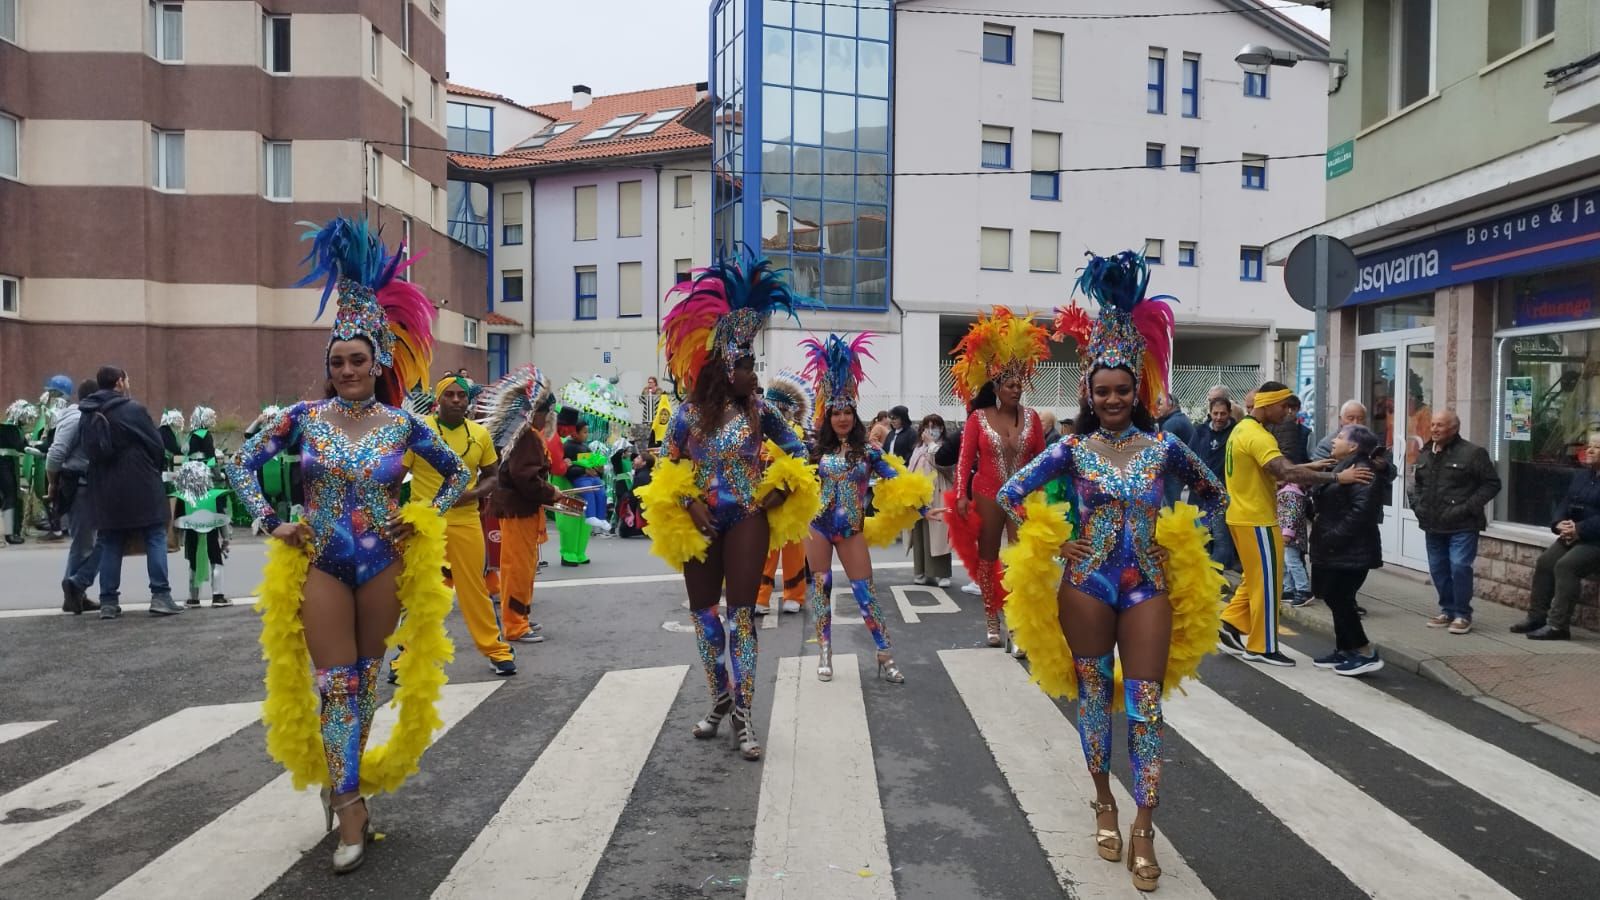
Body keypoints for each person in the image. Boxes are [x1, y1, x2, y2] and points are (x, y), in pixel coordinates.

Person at [223, 217, 469, 874]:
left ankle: (344, 782)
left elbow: (462, 473)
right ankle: (351, 805)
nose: (347, 370)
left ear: (379, 360)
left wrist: (424, 517)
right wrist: (269, 521)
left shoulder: (404, 425)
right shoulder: (299, 420)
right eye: (337, 361)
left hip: (385, 565)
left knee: (364, 684)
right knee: (335, 685)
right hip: (324, 562)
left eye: (357, 359)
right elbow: (237, 465)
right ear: (328, 368)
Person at [998, 250, 1227, 894]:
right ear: (1088, 394)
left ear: (1140, 391)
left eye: (1123, 389)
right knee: (1095, 697)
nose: (1114, 400)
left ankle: (1145, 825)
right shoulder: (1071, 448)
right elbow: (1009, 496)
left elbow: (1215, 494)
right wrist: (1051, 547)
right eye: (1102, 391)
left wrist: (1182, 541)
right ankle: (1103, 798)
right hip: (1088, 584)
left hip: (1148, 585)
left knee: (1147, 706)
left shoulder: (1165, 447)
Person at [636, 256, 819, 762]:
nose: (752, 374)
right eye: (746, 366)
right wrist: (690, 501)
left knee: (742, 618)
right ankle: (719, 698)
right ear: (724, 367)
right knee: (705, 619)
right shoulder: (688, 415)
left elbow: (802, 453)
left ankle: (744, 716)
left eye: (753, 365)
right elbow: (664, 470)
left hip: (747, 518)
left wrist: (781, 487)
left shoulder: (764, 411)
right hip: (699, 523)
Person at [802, 333, 932, 684]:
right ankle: (825, 650)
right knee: (821, 589)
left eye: (847, 412)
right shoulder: (814, 451)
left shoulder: (869, 451)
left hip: (851, 530)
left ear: (854, 416)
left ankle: (884, 650)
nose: (842, 418)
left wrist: (922, 510)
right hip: (817, 527)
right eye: (836, 413)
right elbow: (794, 482)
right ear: (828, 416)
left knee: (865, 593)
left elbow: (897, 480)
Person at [1217, 382, 1373, 667]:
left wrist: (1310, 467)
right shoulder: (1259, 435)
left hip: (1241, 516)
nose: (1288, 413)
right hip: (1257, 519)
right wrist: (1339, 478)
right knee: (1269, 585)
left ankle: (1230, 623)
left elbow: (1274, 469)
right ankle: (1261, 647)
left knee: (1255, 580)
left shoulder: (1242, 429)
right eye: (1284, 407)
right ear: (1268, 405)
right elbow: (1285, 472)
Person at [947, 307, 1050, 649]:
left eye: (1020, 384)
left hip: (1022, 498)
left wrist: (1042, 496)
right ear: (996, 386)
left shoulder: (1033, 418)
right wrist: (962, 494)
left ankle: (1018, 624)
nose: (1017, 389)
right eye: (1010, 384)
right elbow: (965, 460)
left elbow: (1039, 460)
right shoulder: (979, 417)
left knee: (1020, 560)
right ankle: (992, 617)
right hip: (988, 493)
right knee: (988, 558)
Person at [404, 374, 517, 675]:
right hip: (426, 523)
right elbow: (394, 476)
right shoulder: (418, 432)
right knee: (423, 591)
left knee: (474, 589)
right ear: (438, 400)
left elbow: (492, 474)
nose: (456, 400)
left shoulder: (480, 435)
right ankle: (407, 656)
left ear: (468, 401)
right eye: (450, 395)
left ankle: (496, 649)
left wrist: (476, 493)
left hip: (466, 521)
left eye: (461, 396)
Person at [76, 367, 183, 618]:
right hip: (140, 482)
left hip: (104, 486)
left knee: (111, 540)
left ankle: (108, 603)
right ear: (119, 383)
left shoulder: (88, 412)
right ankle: (160, 596)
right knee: (156, 535)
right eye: (126, 379)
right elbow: (156, 446)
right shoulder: (133, 409)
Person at [481, 366, 576, 646]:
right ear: (535, 412)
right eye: (545, 413)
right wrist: (552, 492)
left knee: (523, 567)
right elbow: (526, 478)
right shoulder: (526, 436)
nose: (548, 418)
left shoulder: (525, 434)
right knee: (517, 568)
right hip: (517, 509)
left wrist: (548, 492)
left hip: (520, 509)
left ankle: (520, 616)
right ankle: (515, 625)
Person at [1309, 424, 1391, 675]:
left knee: (1340, 598)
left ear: (1354, 446)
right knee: (1335, 599)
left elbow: (1361, 513)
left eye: (1340, 437)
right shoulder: (1341, 467)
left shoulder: (1363, 471)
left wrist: (1332, 537)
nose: (1333, 441)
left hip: (1351, 550)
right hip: (1334, 549)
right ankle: (1345, 649)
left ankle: (1365, 651)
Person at [1410, 409, 1500, 635]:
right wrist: (1417, 506)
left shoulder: (1473, 453)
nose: (1434, 429)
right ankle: (1447, 610)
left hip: (1463, 524)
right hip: (1432, 524)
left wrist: (1467, 508)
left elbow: (1491, 484)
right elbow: (1416, 484)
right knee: (1439, 570)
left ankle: (1462, 614)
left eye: (1440, 425)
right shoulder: (1425, 453)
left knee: (1459, 567)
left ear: (1454, 428)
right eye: (1432, 425)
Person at [1511, 432, 1600, 641]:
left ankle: (1558, 626)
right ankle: (1537, 617)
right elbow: (1565, 503)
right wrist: (1559, 523)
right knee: (1545, 562)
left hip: (1594, 540)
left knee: (1566, 566)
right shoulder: (1582, 476)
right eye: (1589, 446)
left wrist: (1579, 529)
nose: (1589, 450)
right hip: (1573, 534)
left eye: (1596, 447)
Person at [756, 369, 814, 615]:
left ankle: (795, 595)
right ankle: (760, 597)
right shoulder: (757, 429)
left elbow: (803, 459)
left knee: (793, 548)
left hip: (790, 498)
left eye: (777, 405)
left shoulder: (796, 432)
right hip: (764, 497)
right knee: (765, 550)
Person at [49, 379, 103, 613]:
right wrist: (52, 484)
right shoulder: (76, 418)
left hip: (85, 486)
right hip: (81, 486)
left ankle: (75, 593)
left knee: (84, 543)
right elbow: (56, 453)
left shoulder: (80, 416)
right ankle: (76, 584)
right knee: (94, 543)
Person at [1189, 396, 1237, 573]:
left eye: (1223, 414)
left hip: (1220, 496)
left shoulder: (1236, 432)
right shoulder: (1200, 431)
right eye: (1215, 413)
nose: (1218, 417)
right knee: (1199, 537)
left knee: (1221, 539)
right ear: (1209, 413)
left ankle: (1215, 578)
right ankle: (1202, 576)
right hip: (1198, 494)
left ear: (1229, 413)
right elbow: (1190, 457)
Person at [908, 413, 954, 587]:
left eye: (935, 426)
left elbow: (948, 468)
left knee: (939, 533)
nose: (931, 430)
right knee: (920, 533)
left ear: (942, 429)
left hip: (939, 493)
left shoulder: (944, 447)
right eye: (927, 426)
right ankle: (921, 570)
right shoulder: (918, 448)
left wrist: (931, 446)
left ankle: (941, 573)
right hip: (920, 495)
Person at [1155, 393, 1194, 505]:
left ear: (1170, 405)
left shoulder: (1172, 424)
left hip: (1173, 473)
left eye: (1160, 404)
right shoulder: (1180, 419)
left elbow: (1162, 452)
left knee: (1170, 509)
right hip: (1180, 471)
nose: (1157, 407)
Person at [1278, 481, 1313, 608]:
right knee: (1285, 563)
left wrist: (1287, 533)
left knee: (1292, 562)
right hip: (1287, 535)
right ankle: (1289, 590)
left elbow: (1291, 514)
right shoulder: (1289, 491)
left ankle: (1303, 590)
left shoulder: (1290, 492)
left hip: (1291, 537)